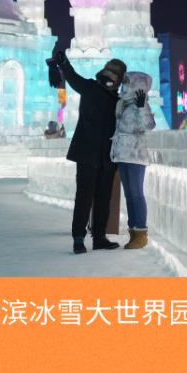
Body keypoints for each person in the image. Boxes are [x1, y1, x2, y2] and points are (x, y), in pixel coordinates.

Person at [54, 49, 127, 254]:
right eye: (109, 73)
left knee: (104, 199)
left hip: (107, 156)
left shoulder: (118, 101)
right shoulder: (90, 88)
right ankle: (79, 238)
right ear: (103, 72)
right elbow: (73, 78)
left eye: (115, 76)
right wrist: (63, 63)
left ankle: (99, 237)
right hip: (87, 153)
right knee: (84, 198)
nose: (110, 77)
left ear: (119, 80)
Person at [111, 72, 155, 249]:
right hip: (122, 154)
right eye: (125, 82)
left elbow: (149, 126)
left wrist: (142, 107)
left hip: (136, 154)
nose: (125, 85)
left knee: (137, 194)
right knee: (129, 195)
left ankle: (141, 233)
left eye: (128, 82)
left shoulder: (141, 104)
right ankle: (133, 232)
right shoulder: (122, 103)